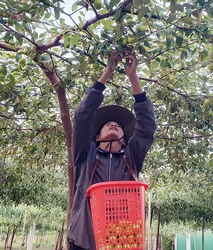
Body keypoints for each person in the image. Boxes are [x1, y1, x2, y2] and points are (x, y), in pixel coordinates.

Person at [67, 49, 156, 250]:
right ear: (97, 137)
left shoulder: (131, 157)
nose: (113, 125)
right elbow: (82, 117)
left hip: (121, 239)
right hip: (83, 239)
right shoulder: (84, 154)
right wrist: (107, 72)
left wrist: (134, 78)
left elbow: (147, 127)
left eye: (118, 125)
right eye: (107, 124)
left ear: (125, 140)